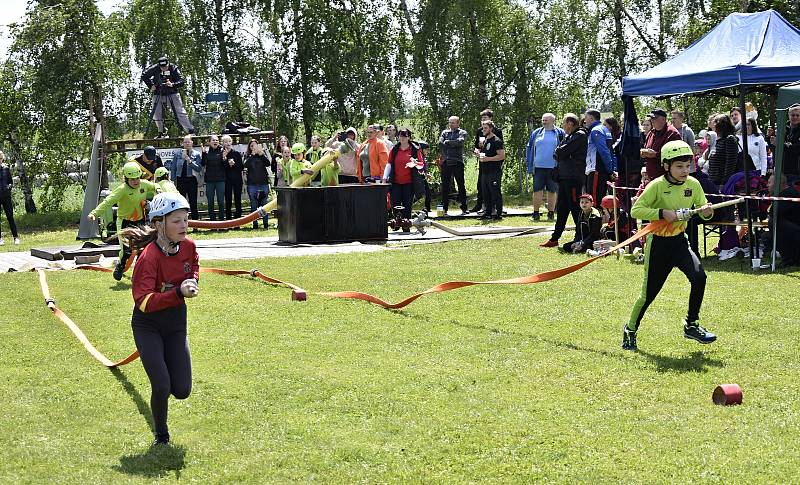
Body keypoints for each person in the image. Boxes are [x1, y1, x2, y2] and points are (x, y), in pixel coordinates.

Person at [622, 140, 716, 351]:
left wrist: (707, 213)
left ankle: (691, 325)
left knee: (699, 277)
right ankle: (630, 329)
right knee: (649, 294)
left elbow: (703, 209)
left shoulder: (694, 184)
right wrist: (662, 213)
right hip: (658, 245)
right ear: (666, 166)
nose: (685, 171)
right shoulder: (656, 186)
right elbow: (635, 211)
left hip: (679, 242)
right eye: (679, 166)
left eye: (687, 165)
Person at [122, 192, 198, 446]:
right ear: (158, 224)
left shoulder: (189, 246)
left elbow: (193, 268)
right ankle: (161, 436)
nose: (183, 225)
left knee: (182, 390)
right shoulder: (149, 257)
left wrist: (192, 281)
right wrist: (177, 292)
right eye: (176, 221)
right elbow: (143, 301)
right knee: (162, 384)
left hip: (176, 324)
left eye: (185, 220)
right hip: (148, 326)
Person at [88, 162, 159, 280]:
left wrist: (158, 188)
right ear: (126, 179)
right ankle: (120, 266)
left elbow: (155, 186)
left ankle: (139, 271)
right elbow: (108, 202)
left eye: (137, 178)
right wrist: (94, 213)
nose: (136, 181)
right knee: (127, 249)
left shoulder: (144, 185)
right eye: (132, 179)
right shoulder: (122, 190)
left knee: (142, 248)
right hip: (125, 222)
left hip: (140, 221)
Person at [541, 113, 588, 248]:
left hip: (573, 178)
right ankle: (555, 238)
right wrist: (559, 152)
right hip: (564, 177)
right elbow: (557, 152)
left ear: (570, 123)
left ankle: (580, 236)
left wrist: (560, 152)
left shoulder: (579, 135)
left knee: (575, 208)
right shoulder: (569, 136)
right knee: (561, 209)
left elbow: (560, 153)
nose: (562, 126)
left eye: (564, 123)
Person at [140, 56, 194, 138]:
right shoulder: (155, 68)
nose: (164, 68)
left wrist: (173, 84)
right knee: (157, 113)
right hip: (158, 93)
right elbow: (144, 75)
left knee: (179, 112)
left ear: (168, 64)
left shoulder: (174, 68)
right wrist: (151, 85)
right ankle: (161, 132)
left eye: (165, 66)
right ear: (159, 65)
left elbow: (182, 81)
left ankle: (190, 131)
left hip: (172, 93)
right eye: (162, 67)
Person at [526, 113, 564, 221]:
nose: (544, 122)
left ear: (553, 121)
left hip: (554, 167)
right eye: (543, 120)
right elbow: (529, 148)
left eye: (546, 120)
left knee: (552, 190)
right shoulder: (536, 133)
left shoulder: (560, 133)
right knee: (537, 190)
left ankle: (551, 213)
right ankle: (536, 213)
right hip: (538, 167)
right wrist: (529, 162)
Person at [385, 127, 424, 222]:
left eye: (404, 136)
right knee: (395, 204)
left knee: (407, 205)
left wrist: (414, 163)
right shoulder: (394, 149)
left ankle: (407, 225)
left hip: (409, 183)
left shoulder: (415, 149)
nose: (402, 138)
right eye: (400, 136)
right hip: (395, 182)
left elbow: (421, 164)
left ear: (409, 137)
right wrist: (384, 177)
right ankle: (397, 224)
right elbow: (389, 163)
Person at [584, 109, 617, 208]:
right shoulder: (605, 129)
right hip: (603, 169)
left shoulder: (595, 130)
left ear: (591, 118)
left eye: (586, 118)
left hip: (596, 169)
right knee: (600, 197)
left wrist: (610, 170)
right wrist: (612, 168)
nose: (585, 121)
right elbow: (611, 150)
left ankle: (595, 222)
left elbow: (604, 151)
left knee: (594, 200)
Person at [472, 109, 503, 213]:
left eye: (485, 118)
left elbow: (500, 152)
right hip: (483, 162)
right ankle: (484, 207)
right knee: (482, 185)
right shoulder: (480, 132)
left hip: (494, 165)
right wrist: (478, 150)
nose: (483, 120)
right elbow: (477, 146)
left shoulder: (497, 133)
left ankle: (496, 210)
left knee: (493, 187)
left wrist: (491, 159)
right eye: (482, 118)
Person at [438, 116, 469, 216]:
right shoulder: (444, 132)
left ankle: (464, 207)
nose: (450, 124)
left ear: (458, 123)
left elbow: (460, 142)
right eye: (449, 122)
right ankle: (444, 209)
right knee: (445, 186)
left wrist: (448, 142)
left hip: (457, 161)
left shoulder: (462, 132)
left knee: (461, 185)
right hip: (446, 161)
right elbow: (440, 142)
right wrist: (451, 143)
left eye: (453, 123)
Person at [769, 173, 800, 267]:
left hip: (797, 232)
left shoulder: (786, 194)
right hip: (796, 229)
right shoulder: (790, 192)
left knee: (774, 223)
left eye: (769, 182)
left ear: (778, 184)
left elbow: (773, 213)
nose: (767, 185)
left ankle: (788, 259)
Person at [641, 108, 681, 180]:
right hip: (652, 177)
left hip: (667, 178)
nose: (652, 120)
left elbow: (677, 155)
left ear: (663, 119)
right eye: (651, 118)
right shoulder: (651, 133)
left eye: (654, 118)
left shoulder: (672, 133)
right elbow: (646, 148)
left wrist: (655, 155)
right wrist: (643, 153)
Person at [168, 135, 202, 220]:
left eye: (188, 142)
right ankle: (182, 223)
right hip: (180, 181)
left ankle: (196, 224)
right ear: (183, 143)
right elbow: (173, 168)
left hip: (192, 180)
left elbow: (198, 168)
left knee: (193, 203)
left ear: (192, 142)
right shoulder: (177, 154)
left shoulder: (196, 154)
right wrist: (173, 181)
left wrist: (189, 161)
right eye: (185, 142)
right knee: (180, 203)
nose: (187, 143)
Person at [478, 119, 505, 220]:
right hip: (485, 171)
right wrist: (478, 154)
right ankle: (488, 213)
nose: (483, 130)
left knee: (495, 192)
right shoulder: (485, 140)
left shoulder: (496, 141)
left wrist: (488, 159)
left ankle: (499, 213)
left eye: (485, 128)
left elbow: (502, 156)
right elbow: (486, 155)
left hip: (494, 171)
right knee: (486, 193)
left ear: (491, 129)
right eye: (483, 128)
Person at [243, 139, 272, 229]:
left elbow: (268, 163)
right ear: (249, 148)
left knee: (264, 205)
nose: (253, 147)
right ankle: (255, 224)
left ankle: (265, 224)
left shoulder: (262, 155)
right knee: (254, 205)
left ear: (258, 146)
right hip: (252, 185)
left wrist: (261, 154)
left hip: (263, 184)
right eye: (251, 146)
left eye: (255, 145)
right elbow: (245, 165)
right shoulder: (248, 156)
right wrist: (252, 155)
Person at [708, 113, 739, 187]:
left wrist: (725, 182)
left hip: (722, 182)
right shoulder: (716, 140)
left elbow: (731, 163)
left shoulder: (729, 139)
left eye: (715, 122)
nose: (713, 125)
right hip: (713, 181)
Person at [201, 135, 226, 221]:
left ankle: (222, 221)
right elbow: (203, 164)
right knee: (210, 202)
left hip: (220, 180)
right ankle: (212, 222)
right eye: (213, 140)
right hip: (210, 181)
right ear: (209, 142)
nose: (215, 141)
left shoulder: (223, 151)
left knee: (221, 202)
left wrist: (224, 158)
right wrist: (203, 153)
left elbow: (226, 166)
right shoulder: (207, 152)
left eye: (216, 140)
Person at [221, 135, 244, 220]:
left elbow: (241, 167)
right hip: (227, 180)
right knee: (228, 200)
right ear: (223, 143)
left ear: (232, 142)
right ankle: (228, 220)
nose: (228, 143)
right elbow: (222, 167)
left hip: (237, 180)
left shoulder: (236, 153)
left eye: (229, 141)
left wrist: (234, 164)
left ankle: (238, 220)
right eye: (225, 142)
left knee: (238, 200)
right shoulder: (222, 154)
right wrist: (225, 158)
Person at [0, 151, 19, 245]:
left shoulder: (6, 169)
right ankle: (0, 239)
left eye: (0, 158)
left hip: (6, 196)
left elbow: (10, 181)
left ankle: (16, 238)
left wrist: (9, 187)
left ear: (2, 158)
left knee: (10, 217)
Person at [782, 104, 800, 185]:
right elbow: (774, 148)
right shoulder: (783, 128)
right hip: (782, 171)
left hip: (796, 172)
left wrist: (781, 145)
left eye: (797, 115)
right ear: (788, 115)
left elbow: (797, 149)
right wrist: (769, 138)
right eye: (793, 115)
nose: (795, 117)